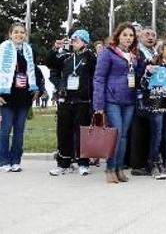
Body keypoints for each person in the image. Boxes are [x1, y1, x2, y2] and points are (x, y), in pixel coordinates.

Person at [93, 22, 146, 183]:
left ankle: (119, 168)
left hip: (129, 100)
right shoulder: (107, 53)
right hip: (112, 99)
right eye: (125, 35)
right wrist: (98, 105)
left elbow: (135, 76)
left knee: (123, 136)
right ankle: (110, 168)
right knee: (115, 134)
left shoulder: (133, 55)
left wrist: (146, 68)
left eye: (131, 35)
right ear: (118, 36)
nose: (128, 38)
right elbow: (99, 78)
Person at [47, 29, 97, 177]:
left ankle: (83, 163)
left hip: (83, 100)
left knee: (82, 132)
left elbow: (96, 68)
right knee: (63, 133)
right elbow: (50, 62)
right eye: (72, 39)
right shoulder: (66, 56)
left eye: (77, 39)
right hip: (65, 100)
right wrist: (55, 48)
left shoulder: (89, 56)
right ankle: (63, 164)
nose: (73, 41)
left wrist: (86, 49)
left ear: (84, 41)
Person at [0, 22, 44, 173]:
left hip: (24, 98)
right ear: (10, 34)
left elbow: (36, 72)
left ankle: (15, 161)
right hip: (6, 97)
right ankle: (4, 160)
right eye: (16, 32)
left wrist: (38, 89)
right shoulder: (3, 49)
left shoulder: (29, 51)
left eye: (22, 32)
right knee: (5, 130)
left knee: (19, 131)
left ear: (25, 35)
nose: (19, 35)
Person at [140, 40, 166, 180]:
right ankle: (154, 164)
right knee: (157, 136)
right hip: (156, 105)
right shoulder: (153, 65)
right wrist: (149, 73)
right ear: (162, 50)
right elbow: (143, 84)